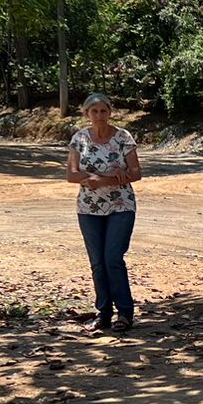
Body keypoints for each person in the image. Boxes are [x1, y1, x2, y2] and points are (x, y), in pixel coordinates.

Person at [66, 93, 142, 333]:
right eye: (94, 111)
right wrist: (98, 177)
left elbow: (135, 173)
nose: (99, 116)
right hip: (88, 208)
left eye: (103, 111)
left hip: (121, 205)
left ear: (110, 112)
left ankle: (125, 313)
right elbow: (71, 174)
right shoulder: (79, 139)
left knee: (113, 259)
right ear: (86, 114)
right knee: (98, 263)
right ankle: (104, 313)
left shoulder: (123, 137)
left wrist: (105, 180)